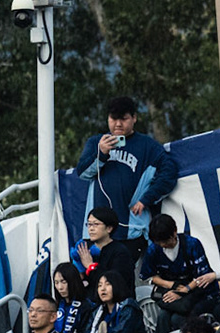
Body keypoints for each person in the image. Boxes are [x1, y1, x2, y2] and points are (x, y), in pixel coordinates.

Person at [72, 95, 178, 242]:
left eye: (123, 119)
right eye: (113, 119)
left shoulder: (148, 146)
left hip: (132, 228)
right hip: (99, 231)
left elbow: (169, 173)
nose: (118, 124)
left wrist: (146, 199)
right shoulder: (96, 142)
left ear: (134, 118)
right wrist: (101, 154)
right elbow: (82, 173)